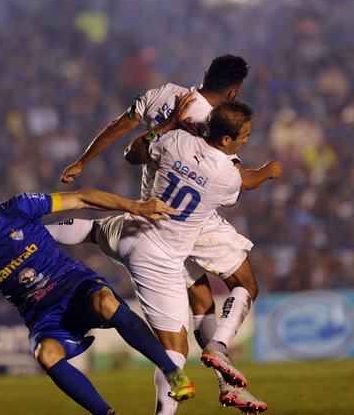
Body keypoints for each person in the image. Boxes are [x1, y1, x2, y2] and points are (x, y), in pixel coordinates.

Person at [58, 54, 280, 412]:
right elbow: (239, 178)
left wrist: (83, 161)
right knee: (244, 285)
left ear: (206, 73)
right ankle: (221, 359)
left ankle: (226, 384)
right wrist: (268, 171)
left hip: (154, 210)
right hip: (194, 224)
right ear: (235, 89)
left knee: (202, 302)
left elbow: (120, 128)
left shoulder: (162, 95)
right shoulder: (218, 122)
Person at [0, 188, 196, 415]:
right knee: (45, 355)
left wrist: (134, 206)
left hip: (71, 284)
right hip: (42, 314)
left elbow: (80, 198)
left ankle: (172, 372)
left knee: (107, 303)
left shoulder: (18, 208)